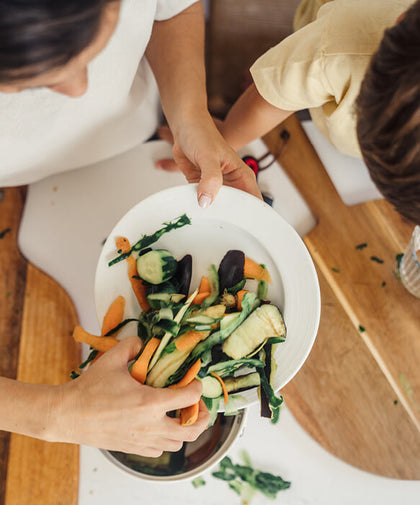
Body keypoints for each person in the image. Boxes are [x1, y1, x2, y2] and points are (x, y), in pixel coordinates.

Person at [0, 0, 261, 457]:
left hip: (132, 135)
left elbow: (171, 9)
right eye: (27, 82)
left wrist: (188, 114)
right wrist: (54, 415)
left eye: (90, 48)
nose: (81, 88)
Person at [215, 0, 419, 224]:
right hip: (332, 28)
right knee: (288, 70)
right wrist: (221, 144)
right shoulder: (335, 48)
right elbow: (264, 103)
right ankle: (279, 61)